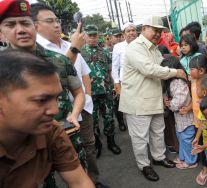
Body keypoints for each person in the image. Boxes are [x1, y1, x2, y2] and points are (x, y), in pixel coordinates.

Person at [30, 3, 109, 187]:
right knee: (58, 158)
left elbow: (84, 73)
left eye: (57, 20)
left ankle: (93, 181)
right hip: (57, 116)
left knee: (87, 148)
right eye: (50, 21)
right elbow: (57, 76)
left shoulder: (69, 43)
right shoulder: (35, 50)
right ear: (34, 25)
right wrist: (74, 48)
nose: (57, 25)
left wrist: (87, 97)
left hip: (82, 107)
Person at [0, 50, 94, 188]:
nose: (55, 110)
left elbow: (79, 182)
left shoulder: (51, 131)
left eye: (55, 98)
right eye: (41, 100)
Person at [119, 15, 186, 181]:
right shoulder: (135, 47)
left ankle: (159, 157)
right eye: (154, 30)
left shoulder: (155, 48)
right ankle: (144, 165)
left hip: (154, 99)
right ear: (144, 29)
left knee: (157, 131)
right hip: (138, 101)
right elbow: (149, 69)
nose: (157, 33)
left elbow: (161, 66)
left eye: (160, 31)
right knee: (140, 137)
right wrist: (175, 72)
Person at [81, 25, 121, 155]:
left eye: (94, 35)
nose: (92, 38)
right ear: (85, 36)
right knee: (93, 120)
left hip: (106, 92)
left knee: (109, 117)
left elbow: (110, 70)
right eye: (90, 35)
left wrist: (115, 85)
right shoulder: (80, 53)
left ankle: (111, 142)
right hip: (90, 94)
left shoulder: (104, 52)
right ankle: (97, 143)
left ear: (98, 36)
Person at [161, 56, 198, 169]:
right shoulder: (173, 81)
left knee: (187, 140)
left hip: (186, 118)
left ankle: (190, 162)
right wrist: (166, 100)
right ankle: (183, 157)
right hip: (180, 118)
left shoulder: (178, 81)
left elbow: (179, 100)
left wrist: (170, 104)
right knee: (182, 138)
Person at [188, 55, 207, 185]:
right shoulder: (193, 80)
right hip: (198, 120)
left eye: (192, 69)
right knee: (202, 144)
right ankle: (205, 169)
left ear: (202, 71)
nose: (189, 72)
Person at [112, 22, 137, 132]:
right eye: (128, 31)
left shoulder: (141, 44)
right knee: (130, 110)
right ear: (123, 34)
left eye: (133, 30)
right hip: (126, 83)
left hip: (141, 81)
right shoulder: (118, 47)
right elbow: (115, 66)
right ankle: (135, 133)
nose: (131, 33)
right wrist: (117, 83)